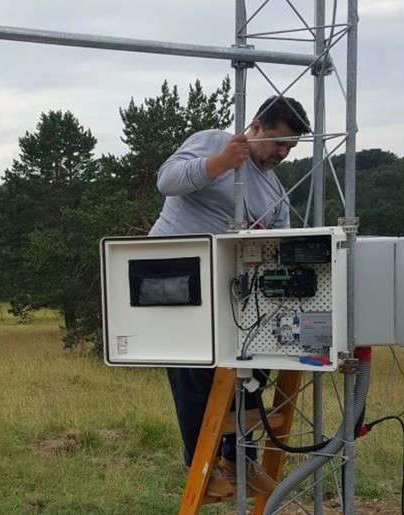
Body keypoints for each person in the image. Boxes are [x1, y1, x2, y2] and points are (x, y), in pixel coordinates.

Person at [149, 95, 310, 497]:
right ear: (255, 127)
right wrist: (220, 162)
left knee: (252, 372)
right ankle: (199, 468)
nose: (282, 154)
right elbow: (166, 181)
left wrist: (264, 240)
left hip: (235, 294)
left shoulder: (274, 189)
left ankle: (239, 458)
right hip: (176, 276)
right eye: (277, 143)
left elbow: (282, 240)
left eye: (290, 148)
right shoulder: (211, 141)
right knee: (195, 374)